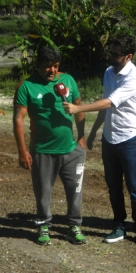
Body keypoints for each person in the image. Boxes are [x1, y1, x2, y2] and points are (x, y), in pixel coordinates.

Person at [63, 35, 136, 246]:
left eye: (116, 54)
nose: (111, 56)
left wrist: (78, 109)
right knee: (113, 186)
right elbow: (105, 102)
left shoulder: (134, 77)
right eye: (110, 52)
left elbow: (109, 102)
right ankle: (119, 225)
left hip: (129, 139)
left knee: (134, 186)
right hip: (109, 139)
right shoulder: (109, 72)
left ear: (128, 56)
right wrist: (93, 133)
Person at [13, 46, 87, 245]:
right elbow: (18, 119)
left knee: (75, 191)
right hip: (42, 151)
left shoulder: (68, 81)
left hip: (72, 150)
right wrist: (22, 151)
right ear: (37, 65)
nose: (52, 71)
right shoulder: (26, 86)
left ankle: (74, 226)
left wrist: (81, 138)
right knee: (43, 192)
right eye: (47, 67)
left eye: (55, 66)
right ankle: (43, 225)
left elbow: (79, 107)